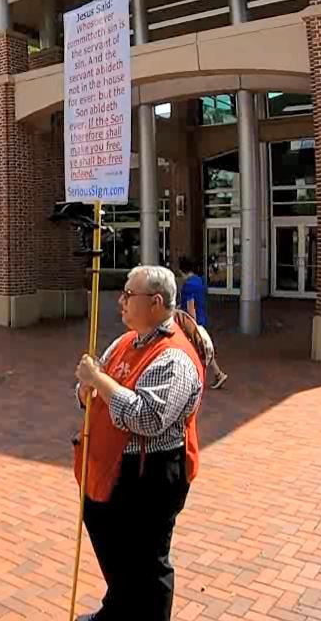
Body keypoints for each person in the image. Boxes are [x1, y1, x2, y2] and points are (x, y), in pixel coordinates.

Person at [73, 265, 204, 620]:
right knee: (114, 547)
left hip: (151, 475)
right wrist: (85, 390)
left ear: (156, 302)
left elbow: (147, 417)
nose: (121, 301)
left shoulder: (174, 357)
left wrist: (98, 381)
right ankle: (117, 609)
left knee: (147, 562)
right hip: (113, 468)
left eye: (130, 295)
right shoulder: (125, 341)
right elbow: (94, 386)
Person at [177, 257, 229, 389]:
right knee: (204, 349)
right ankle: (217, 374)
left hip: (192, 322)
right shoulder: (200, 281)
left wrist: (191, 324)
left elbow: (190, 306)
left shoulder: (188, 285)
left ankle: (196, 377)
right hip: (202, 319)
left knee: (194, 350)